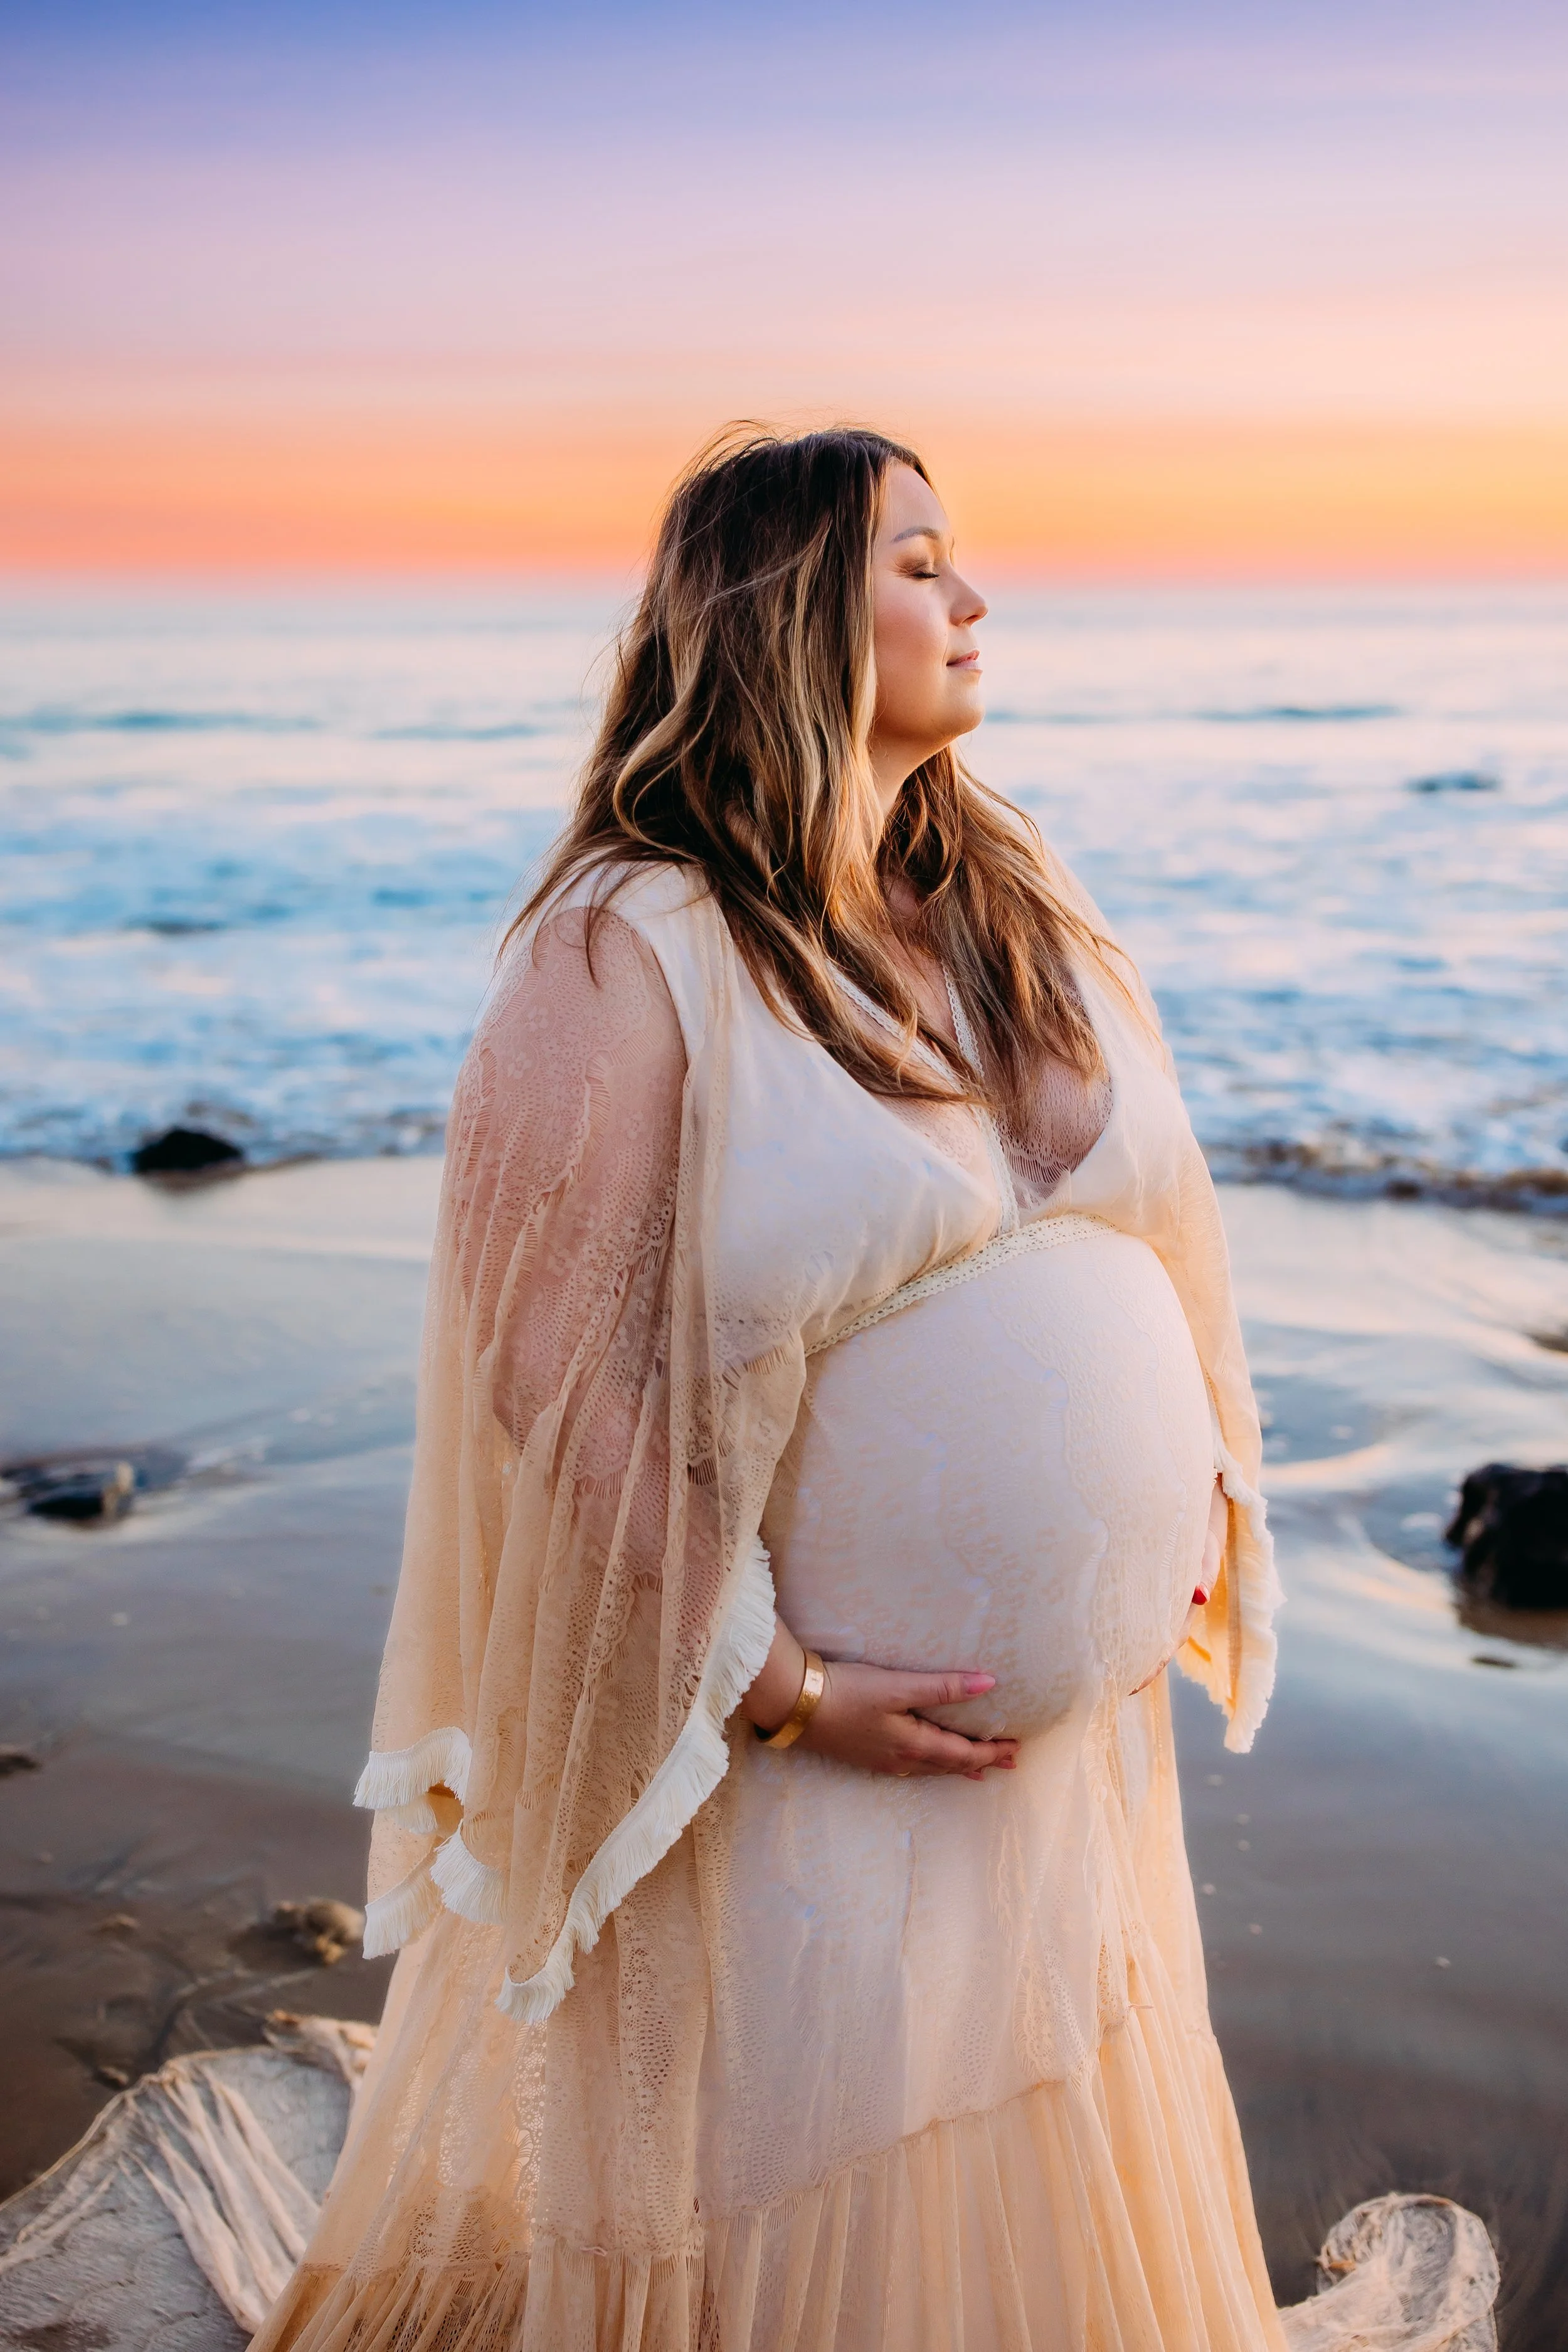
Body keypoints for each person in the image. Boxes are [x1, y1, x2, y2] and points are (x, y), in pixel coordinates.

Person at [255, 425, 1290, 2351]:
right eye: (916, 562)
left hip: (1060, 1768)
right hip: (796, 1768)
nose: (971, 599)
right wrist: (782, 1685)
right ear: (786, 616)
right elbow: (547, 1360)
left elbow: (1152, 1237)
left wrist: (1183, 1522)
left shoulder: (1004, 898)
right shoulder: (624, 945)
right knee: (812, 2199)